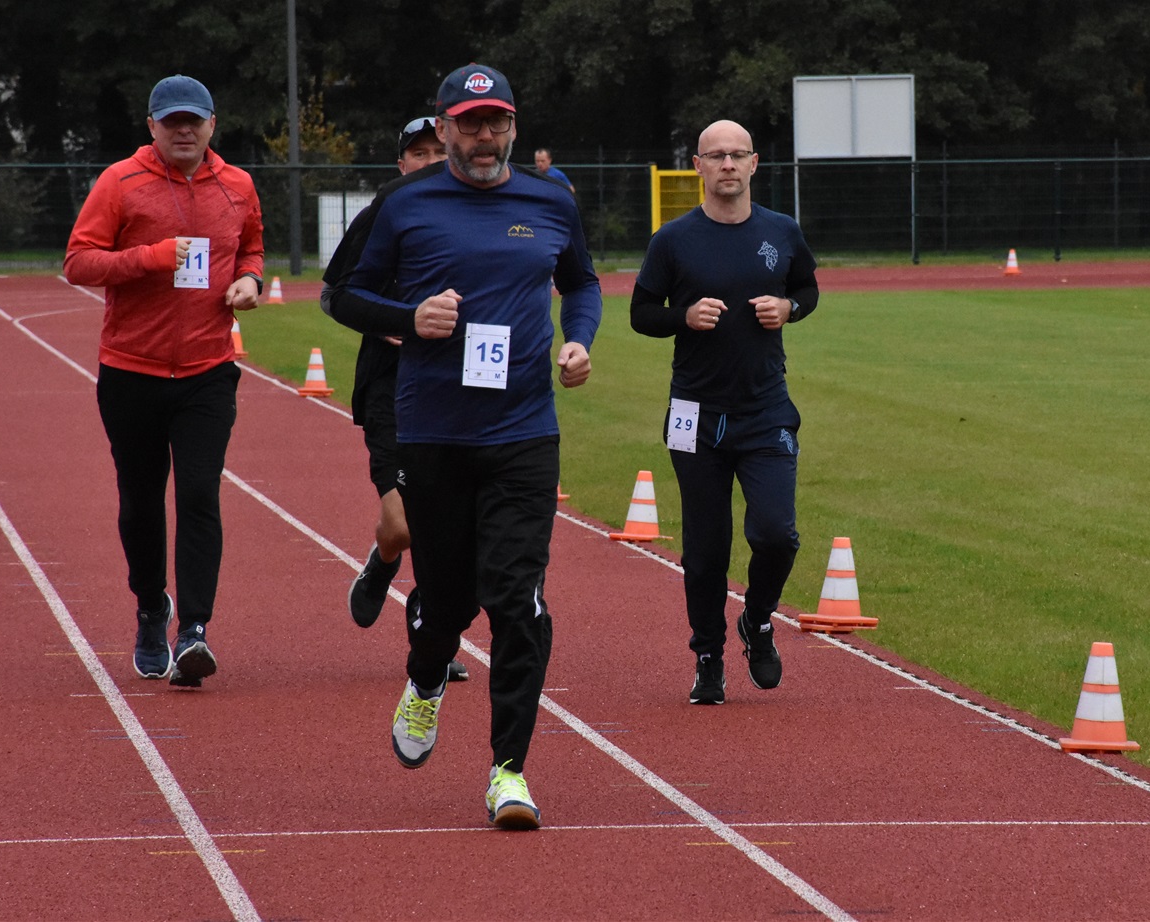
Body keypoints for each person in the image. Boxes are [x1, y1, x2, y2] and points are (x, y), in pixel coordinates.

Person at [329, 63, 601, 829]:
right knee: (446, 600)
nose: (485, 136)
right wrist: (409, 318)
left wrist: (578, 340)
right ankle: (425, 680)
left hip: (524, 433)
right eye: (471, 123)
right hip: (433, 431)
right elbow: (343, 294)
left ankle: (508, 770)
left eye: (497, 122)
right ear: (445, 127)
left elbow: (581, 283)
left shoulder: (550, 200)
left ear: (513, 126)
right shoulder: (406, 204)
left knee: (518, 599)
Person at [64, 74, 264, 688]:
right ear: (151, 126)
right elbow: (78, 261)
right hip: (132, 371)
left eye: (193, 121)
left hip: (208, 371)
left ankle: (194, 631)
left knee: (200, 494)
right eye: (171, 121)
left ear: (212, 125)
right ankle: (152, 607)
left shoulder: (238, 185)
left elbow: (252, 247)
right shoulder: (120, 182)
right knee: (141, 503)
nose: (184, 131)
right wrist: (150, 257)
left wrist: (250, 281)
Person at [629, 119, 819, 705]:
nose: (728, 165)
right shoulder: (673, 240)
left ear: (755, 163)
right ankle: (708, 656)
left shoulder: (782, 230)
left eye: (738, 155)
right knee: (706, 548)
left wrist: (789, 308)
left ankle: (757, 620)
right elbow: (641, 313)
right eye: (717, 156)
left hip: (765, 410)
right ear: (698, 166)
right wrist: (683, 317)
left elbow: (808, 291)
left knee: (777, 534)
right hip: (695, 412)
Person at [319, 116, 468, 683]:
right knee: (403, 526)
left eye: (439, 152)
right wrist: (395, 322)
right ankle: (383, 562)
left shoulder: (475, 211)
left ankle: (433, 640)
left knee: (445, 519)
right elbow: (334, 294)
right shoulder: (385, 209)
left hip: (455, 386)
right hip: (389, 383)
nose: (430, 163)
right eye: (419, 154)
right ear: (401, 164)